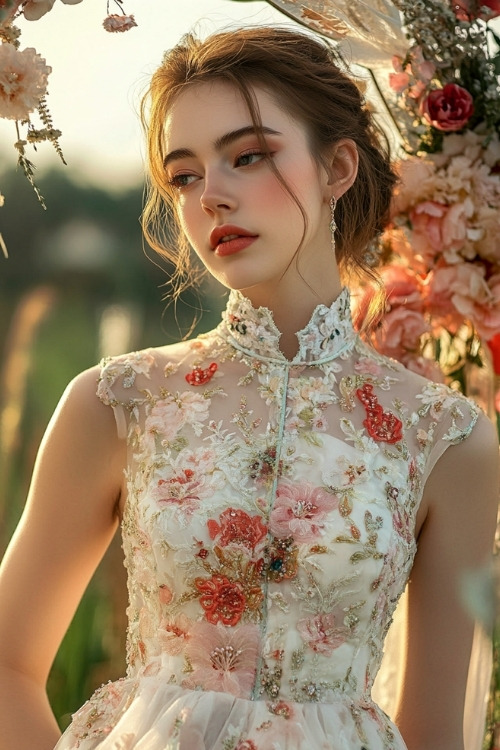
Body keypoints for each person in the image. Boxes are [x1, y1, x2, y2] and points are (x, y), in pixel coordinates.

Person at [0, 26, 498, 750]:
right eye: (186, 175)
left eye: (248, 155)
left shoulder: (444, 436)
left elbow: (433, 732)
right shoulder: (119, 402)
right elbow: (8, 662)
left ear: (337, 167)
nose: (213, 197)